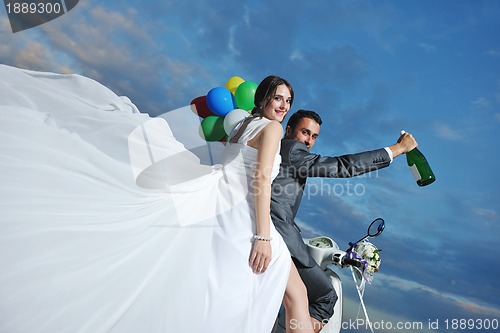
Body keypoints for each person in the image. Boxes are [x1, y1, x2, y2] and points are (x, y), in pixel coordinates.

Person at [0, 65, 311, 333]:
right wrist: (262, 236)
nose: (283, 106)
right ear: (264, 98)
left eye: (288, 101)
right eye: (278, 97)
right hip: (243, 217)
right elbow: (259, 181)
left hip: (216, 207)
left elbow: (230, 168)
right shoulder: (271, 129)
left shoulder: (242, 125)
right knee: (296, 295)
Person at [270, 109, 418, 332]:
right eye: (304, 132)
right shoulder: (292, 150)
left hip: (279, 232)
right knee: (325, 297)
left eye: (314, 136)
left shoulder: (275, 150)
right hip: (281, 237)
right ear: (288, 130)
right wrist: (397, 150)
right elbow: (343, 166)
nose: (309, 141)